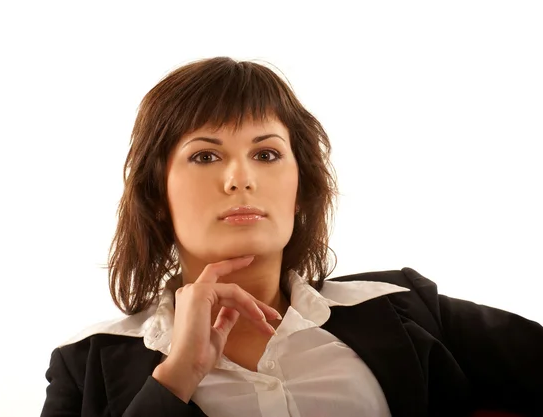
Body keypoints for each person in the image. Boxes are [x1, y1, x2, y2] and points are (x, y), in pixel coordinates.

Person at [40, 57, 543, 417]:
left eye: (266, 154)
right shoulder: (86, 365)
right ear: (155, 194)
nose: (240, 178)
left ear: (301, 190)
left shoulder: (405, 306)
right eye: (205, 155)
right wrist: (177, 376)